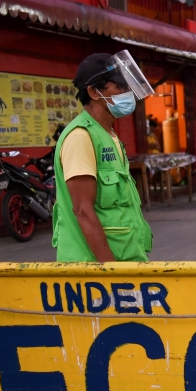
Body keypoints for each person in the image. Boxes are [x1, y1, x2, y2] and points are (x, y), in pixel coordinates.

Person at [52, 51, 154, 262]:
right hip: (97, 270)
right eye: (120, 87)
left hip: (126, 260)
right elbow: (82, 210)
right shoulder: (81, 137)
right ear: (94, 92)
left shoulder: (109, 134)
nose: (128, 93)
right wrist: (110, 269)